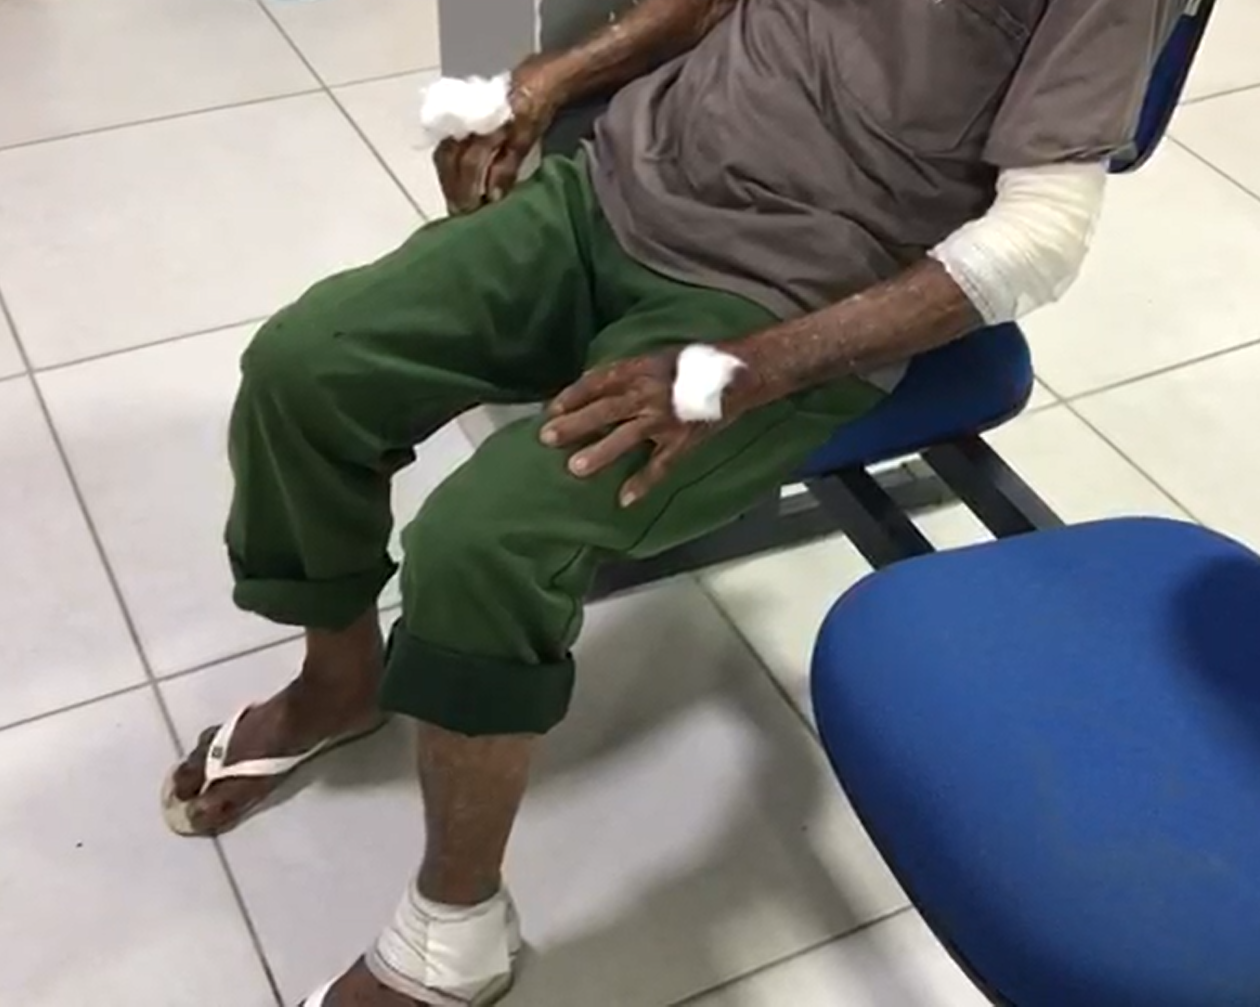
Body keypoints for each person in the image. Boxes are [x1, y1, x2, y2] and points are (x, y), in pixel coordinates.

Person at [161, 0, 1184, 1003]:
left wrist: (745, 370)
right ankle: (338, 681)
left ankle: (455, 927)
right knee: (305, 367)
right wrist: (549, 80)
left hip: (781, 304)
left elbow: (1042, 234)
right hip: (617, 188)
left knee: (484, 541)